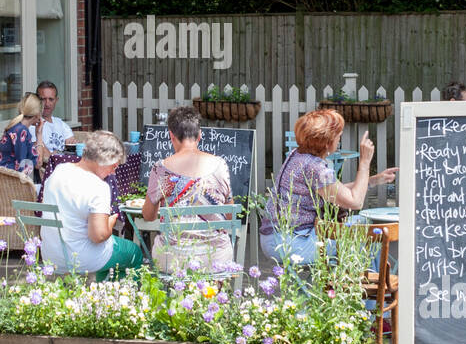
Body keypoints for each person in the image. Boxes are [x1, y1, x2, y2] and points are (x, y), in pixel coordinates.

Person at [259, 108, 397, 264]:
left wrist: (372, 180)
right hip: (292, 244)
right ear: (327, 142)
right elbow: (355, 202)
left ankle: (357, 283)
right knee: (367, 229)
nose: (340, 140)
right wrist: (364, 163)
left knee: (360, 226)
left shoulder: (298, 155)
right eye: (338, 136)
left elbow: (333, 191)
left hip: (275, 239)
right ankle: (373, 285)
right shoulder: (315, 167)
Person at [141, 105, 234, 273]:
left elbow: (148, 216)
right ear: (200, 135)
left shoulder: (160, 169)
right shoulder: (221, 165)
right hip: (215, 257)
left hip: (173, 257)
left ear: (171, 135)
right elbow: (229, 215)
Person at [40, 131, 146, 278]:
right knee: (134, 252)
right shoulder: (98, 186)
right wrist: (109, 221)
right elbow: (98, 236)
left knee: (113, 252)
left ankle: (103, 291)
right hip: (82, 258)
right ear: (106, 161)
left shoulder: (58, 171)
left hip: (50, 254)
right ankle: (115, 296)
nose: (113, 172)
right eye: (114, 166)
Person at [33, 80, 76, 166]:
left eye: (51, 99)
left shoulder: (62, 124)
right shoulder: (33, 124)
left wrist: (58, 153)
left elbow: (72, 148)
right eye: (43, 99)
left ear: (56, 100)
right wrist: (62, 152)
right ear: (37, 100)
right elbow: (46, 157)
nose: (47, 103)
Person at [0, 92, 41, 176]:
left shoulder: (16, 127)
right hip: (12, 180)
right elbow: (37, 164)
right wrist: (39, 134)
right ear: (38, 114)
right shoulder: (22, 131)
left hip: (5, 175)